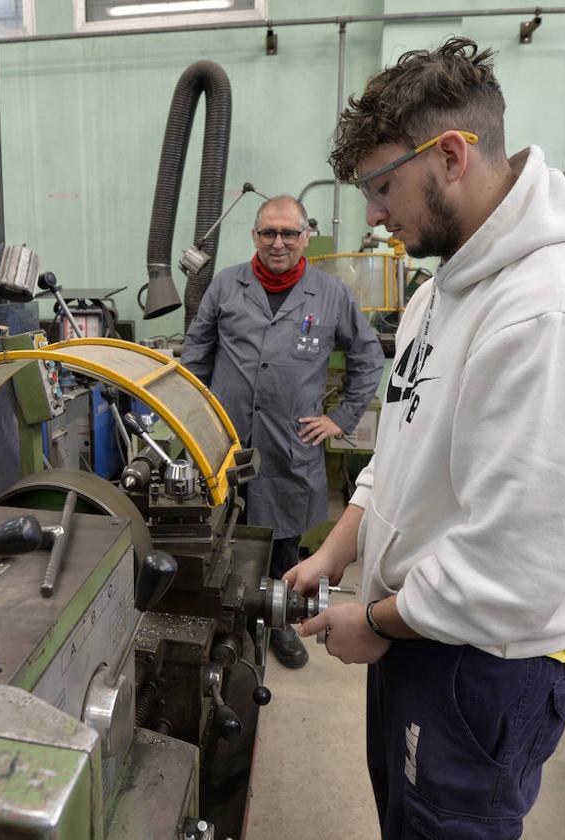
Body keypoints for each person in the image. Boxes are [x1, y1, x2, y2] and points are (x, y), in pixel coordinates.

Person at [284, 38, 565, 838]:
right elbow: (400, 458)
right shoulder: (441, 292)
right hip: (419, 632)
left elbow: (519, 568)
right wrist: (334, 554)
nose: (374, 215)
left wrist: (376, 623)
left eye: (383, 187)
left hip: (481, 668)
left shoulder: (556, 314)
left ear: (450, 154)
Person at [181, 195, 383, 668]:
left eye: (288, 233)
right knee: (218, 534)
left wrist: (342, 418)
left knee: (284, 542)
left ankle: (280, 626)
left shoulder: (329, 294)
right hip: (224, 440)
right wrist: (191, 420)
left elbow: (368, 357)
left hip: (289, 446)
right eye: (268, 233)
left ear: (304, 236)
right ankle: (227, 619)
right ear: (254, 236)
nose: (278, 243)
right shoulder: (226, 286)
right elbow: (195, 355)